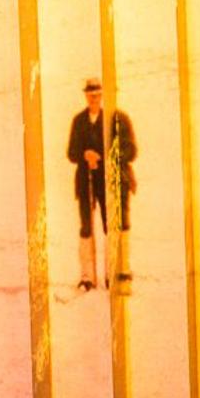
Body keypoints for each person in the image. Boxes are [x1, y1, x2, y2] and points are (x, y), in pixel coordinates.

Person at [66, 77, 137, 291]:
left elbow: (131, 150)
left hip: (113, 182)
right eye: (90, 95)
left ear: (104, 95)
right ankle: (87, 277)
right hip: (86, 181)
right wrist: (84, 154)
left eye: (97, 95)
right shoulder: (79, 121)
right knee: (86, 227)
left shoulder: (118, 119)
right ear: (86, 96)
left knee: (114, 225)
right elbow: (71, 152)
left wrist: (107, 157)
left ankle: (115, 272)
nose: (94, 99)